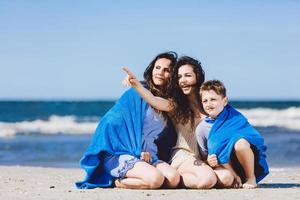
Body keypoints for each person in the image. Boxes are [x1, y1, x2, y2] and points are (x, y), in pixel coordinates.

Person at [123, 56, 231, 189]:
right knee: (207, 180)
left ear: (197, 76)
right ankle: (174, 177)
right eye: (179, 77)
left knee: (227, 178)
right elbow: (153, 100)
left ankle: (174, 178)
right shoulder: (176, 105)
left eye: (187, 75)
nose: (183, 81)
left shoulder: (209, 102)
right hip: (183, 156)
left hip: (204, 159)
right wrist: (137, 85)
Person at [76, 52, 180, 189]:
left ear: (172, 76)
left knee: (173, 179)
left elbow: (155, 103)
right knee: (155, 179)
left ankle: (142, 173)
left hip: (149, 155)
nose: (160, 72)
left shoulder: (170, 102)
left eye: (167, 70)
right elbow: (109, 123)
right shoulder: (134, 93)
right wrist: (136, 149)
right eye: (157, 67)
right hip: (122, 154)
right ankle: (116, 181)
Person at [197, 79, 269, 189]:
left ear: (225, 101)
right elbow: (204, 156)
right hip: (225, 166)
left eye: (213, 99)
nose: (209, 104)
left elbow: (253, 138)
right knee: (225, 177)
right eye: (205, 101)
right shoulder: (202, 129)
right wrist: (209, 160)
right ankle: (235, 178)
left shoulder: (235, 118)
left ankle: (250, 178)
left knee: (240, 142)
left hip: (246, 162)